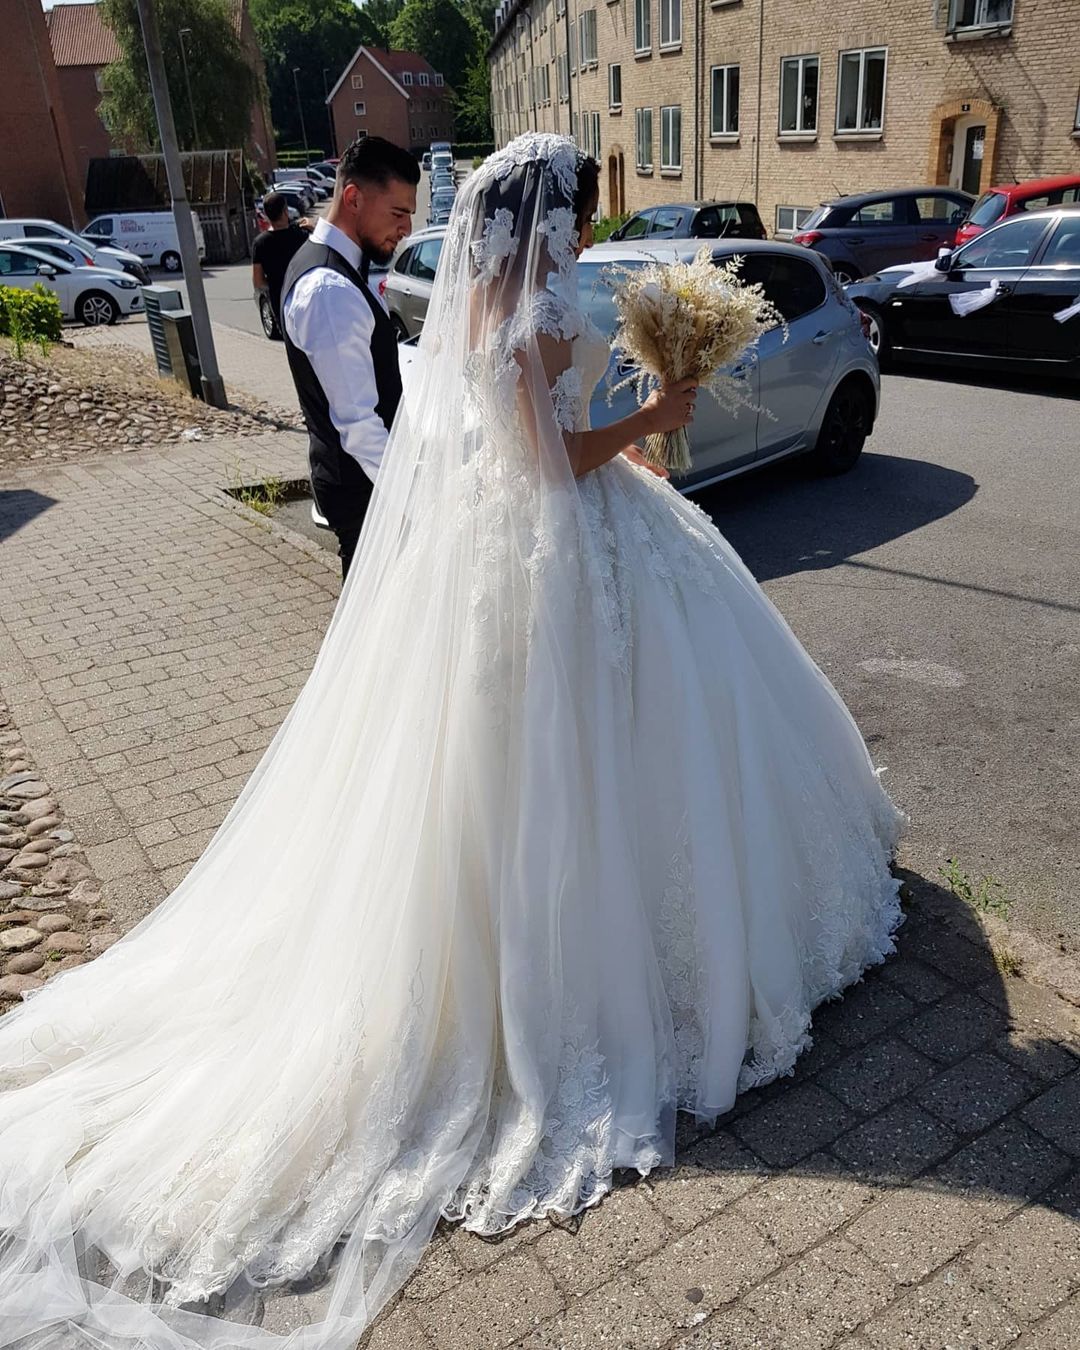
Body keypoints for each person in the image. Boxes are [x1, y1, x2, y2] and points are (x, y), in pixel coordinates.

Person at [0, 134, 903, 1349]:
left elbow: (523, 442)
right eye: (576, 212)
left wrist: (636, 432)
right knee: (587, 760)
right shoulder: (528, 305)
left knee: (561, 761)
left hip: (559, 537)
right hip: (565, 550)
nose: (584, 230)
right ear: (539, 218)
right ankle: (604, 985)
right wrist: (652, 409)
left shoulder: (487, 296)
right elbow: (544, 459)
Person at [282, 136, 419, 580]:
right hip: (369, 499)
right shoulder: (329, 291)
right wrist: (421, 500)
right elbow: (359, 427)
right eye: (398, 213)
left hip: (369, 490)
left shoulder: (332, 273)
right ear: (354, 198)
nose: (407, 230)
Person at [251, 191, 313, 339]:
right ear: (286, 211)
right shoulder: (301, 235)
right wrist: (313, 228)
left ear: (266, 215)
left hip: (280, 301)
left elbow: (258, 281)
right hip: (306, 296)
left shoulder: (260, 243)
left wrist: (275, 285)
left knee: (292, 346)